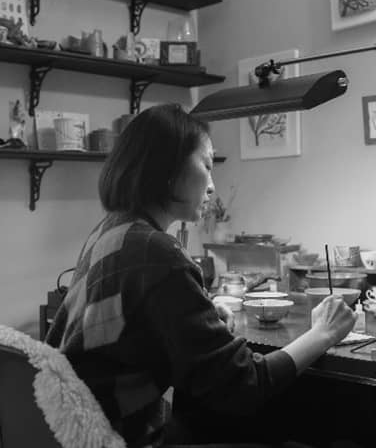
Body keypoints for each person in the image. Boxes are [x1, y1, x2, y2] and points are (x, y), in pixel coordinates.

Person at [46, 103, 358, 448]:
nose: (211, 185)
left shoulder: (112, 231)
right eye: (206, 165)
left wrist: (199, 320)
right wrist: (324, 333)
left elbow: (137, 335)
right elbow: (244, 385)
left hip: (75, 428)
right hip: (118, 438)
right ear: (168, 167)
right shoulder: (155, 251)